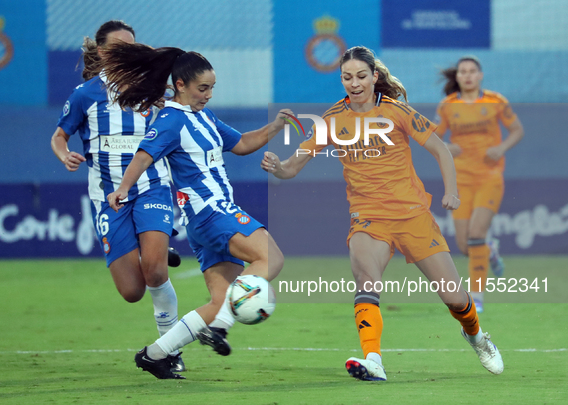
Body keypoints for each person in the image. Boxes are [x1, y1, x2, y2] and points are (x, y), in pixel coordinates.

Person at [261, 46, 504, 382]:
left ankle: (476, 336)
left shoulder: (397, 111)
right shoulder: (331, 120)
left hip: (412, 216)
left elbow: (440, 149)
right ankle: (373, 359)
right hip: (368, 217)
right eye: (347, 77)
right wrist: (278, 166)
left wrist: (451, 191)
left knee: (455, 297)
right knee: (366, 281)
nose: (354, 83)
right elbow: (293, 167)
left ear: (374, 76)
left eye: (361, 76)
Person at [101, 42, 286, 379]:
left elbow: (242, 144)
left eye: (212, 88)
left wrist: (275, 126)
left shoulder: (203, 116)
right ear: (180, 85)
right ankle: (222, 328)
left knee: (220, 302)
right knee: (270, 258)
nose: (209, 94)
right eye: (203, 88)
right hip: (211, 212)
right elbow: (144, 155)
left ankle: (155, 354)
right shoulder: (171, 119)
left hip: (209, 219)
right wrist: (124, 188)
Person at [50, 20, 185, 372]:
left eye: (132, 46)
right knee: (132, 291)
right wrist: (65, 155)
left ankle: (169, 349)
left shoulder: (152, 90)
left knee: (155, 272)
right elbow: (59, 136)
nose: (127, 52)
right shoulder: (85, 95)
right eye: (118, 47)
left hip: (152, 186)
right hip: (108, 198)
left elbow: (179, 118)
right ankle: (149, 246)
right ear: (101, 53)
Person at [435, 56, 524, 313]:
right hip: (461, 179)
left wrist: (501, 147)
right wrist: (449, 147)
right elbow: (433, 136)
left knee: (476, 234)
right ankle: (491, 250)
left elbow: (517, 130)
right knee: (465, 246)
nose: (468, 75)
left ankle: (477, 295)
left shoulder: (496, 101)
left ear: (480, 75)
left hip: (490, 177)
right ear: (458, 77)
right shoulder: (448, 106)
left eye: (472, 71)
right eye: (463, 72)